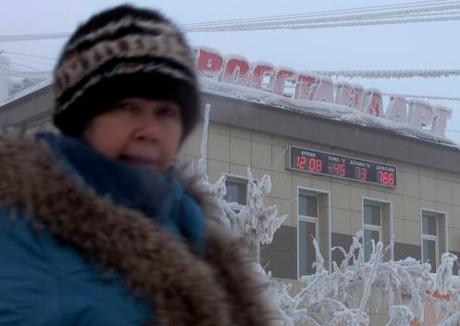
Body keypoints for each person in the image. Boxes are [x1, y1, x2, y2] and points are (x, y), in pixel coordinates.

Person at [0, 5, 274, 325]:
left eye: (166, 112)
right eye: (128, 106)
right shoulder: (19, 235)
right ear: (82, 120)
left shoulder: (193, 235)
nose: (150, 131)